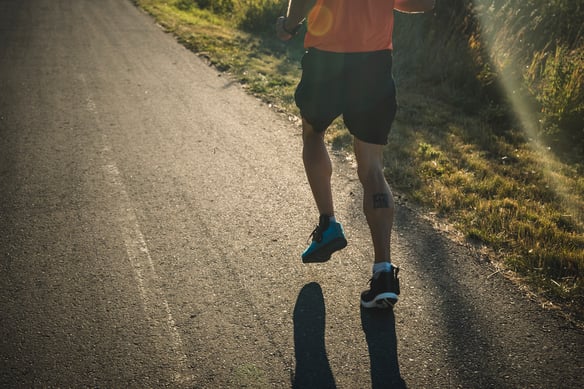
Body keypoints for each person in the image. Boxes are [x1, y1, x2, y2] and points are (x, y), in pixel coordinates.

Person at [276, 0, 435, 309]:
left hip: (326, 57)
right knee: (373, 168)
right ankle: (383, 275)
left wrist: (289, 26)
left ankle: (328, 224)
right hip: (374, 63)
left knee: (312, 132)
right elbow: (423, 3)